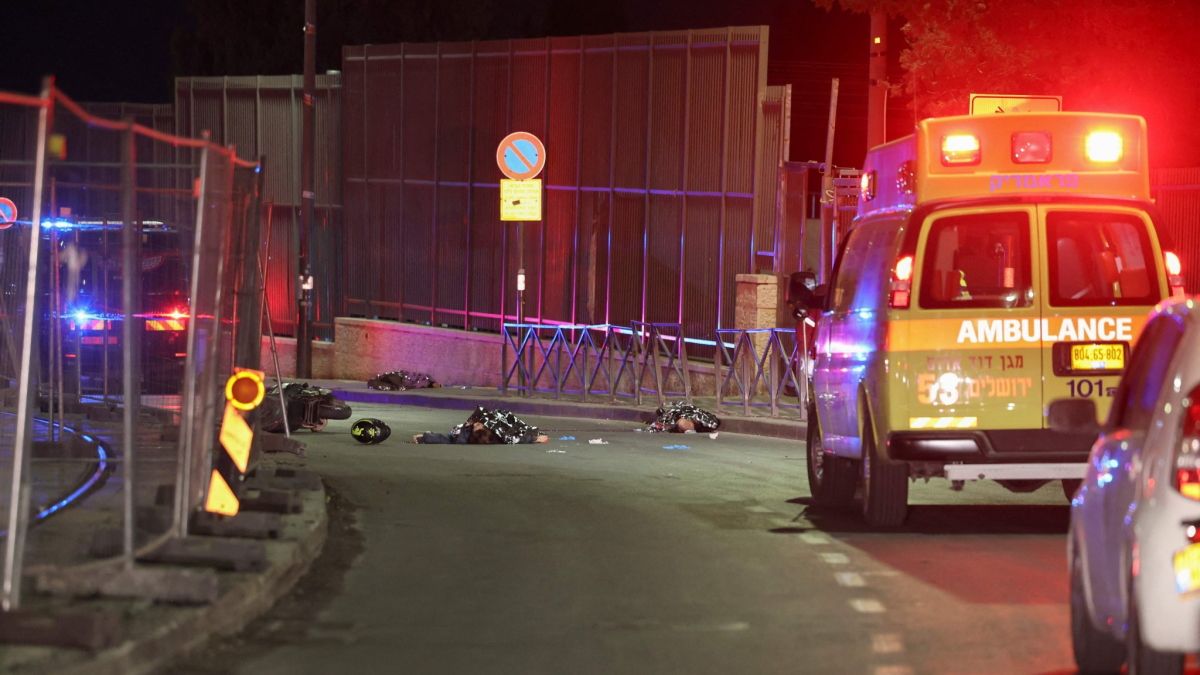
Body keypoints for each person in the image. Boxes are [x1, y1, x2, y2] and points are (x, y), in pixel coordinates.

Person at [411, 406, 549, 444]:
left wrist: (424, 437)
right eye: (479, 425)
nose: (478, 423)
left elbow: (443, 439)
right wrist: (536, 438)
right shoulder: (499, 435)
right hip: (464, 433)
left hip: (458, 434)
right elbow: (516, 437)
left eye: (479, 425)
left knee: (448, 438)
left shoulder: (462, 436)